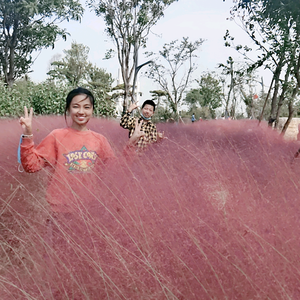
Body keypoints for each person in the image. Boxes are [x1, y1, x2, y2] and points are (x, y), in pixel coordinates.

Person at [19, 87, 115, 212]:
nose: (81, 111)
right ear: (68, 109)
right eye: (76, 106)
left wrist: (131, 146)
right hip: (60, 211)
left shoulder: (100, 140)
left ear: (92, 110)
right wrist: (27, 135)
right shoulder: (56, 136)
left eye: (86, 107)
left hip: (91, 210)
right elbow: (31, 165)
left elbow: (115, 170)